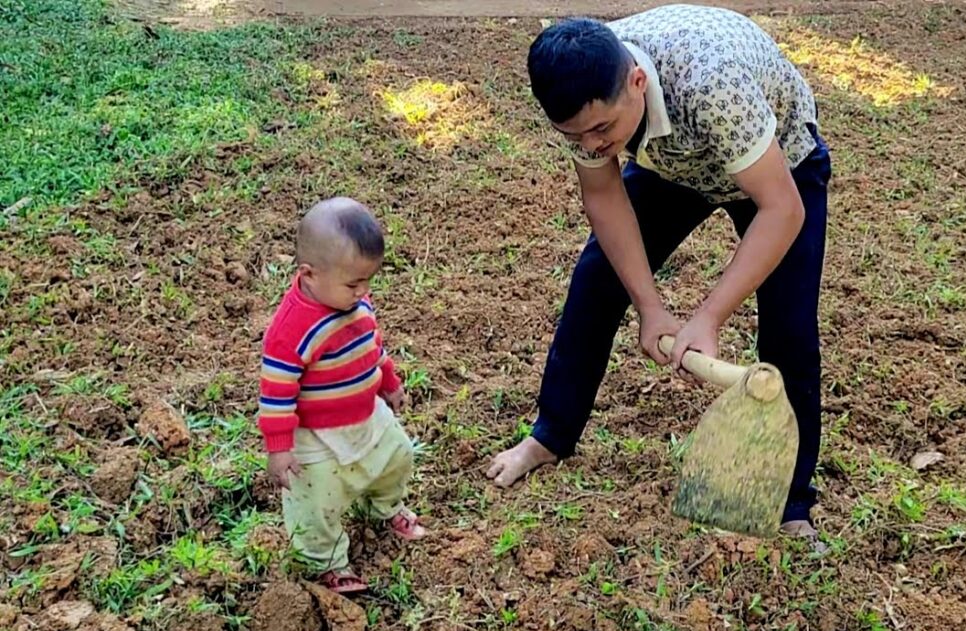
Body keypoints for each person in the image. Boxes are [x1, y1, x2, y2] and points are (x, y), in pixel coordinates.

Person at [486, 4, 832, 545]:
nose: (593, 146)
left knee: (788, 331)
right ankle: (550, 435)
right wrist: (650, 307)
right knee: (598, 280)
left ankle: (791, 504)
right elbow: (603, 197)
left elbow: (781, 209)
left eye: (602, 129)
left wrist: (709, 316)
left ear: (637, 81)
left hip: (777, 166)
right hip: (677, 166)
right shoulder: (581, 95)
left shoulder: (710, 82)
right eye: (576, 136)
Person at [258, 197, 427, 594]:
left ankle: (384, 508)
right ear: (309, 274)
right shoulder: (291, 329)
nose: (364, 291)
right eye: (354, 283)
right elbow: (277, 394)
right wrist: (279, 446)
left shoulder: (352, 300)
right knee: (316, 501)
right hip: (316, 434)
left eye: (369, 280)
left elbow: (371, 344)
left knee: (397, 456)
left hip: (365, 412)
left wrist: (389, 381)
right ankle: (326, 562)